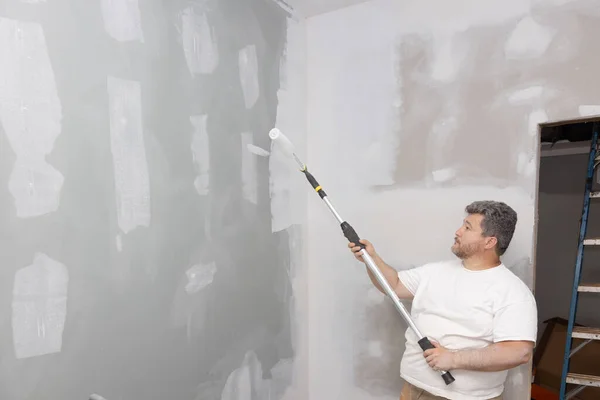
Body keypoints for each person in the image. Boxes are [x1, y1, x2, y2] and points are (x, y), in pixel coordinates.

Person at [348, 200, 537, 400]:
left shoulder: (513, 291)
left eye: (467, 227)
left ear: (489, 242)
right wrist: (371, 259)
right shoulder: (435, 271)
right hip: (413, 390)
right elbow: (393, 285)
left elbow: (518, 352)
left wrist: (453, 359)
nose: (458, 231)